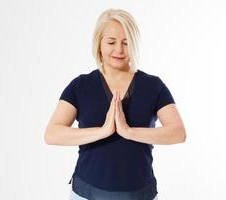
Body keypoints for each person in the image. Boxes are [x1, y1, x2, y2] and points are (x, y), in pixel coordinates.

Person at [44, 8, 186, 200]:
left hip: (139, 194)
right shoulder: (80, 86)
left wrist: (128, 131)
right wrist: (102, 131)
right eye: (111, 42)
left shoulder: (153, 86)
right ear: (99, 43)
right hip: (87, 194)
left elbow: (178, 132)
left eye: (126, 43)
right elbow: (52, 134)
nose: (119, 50)